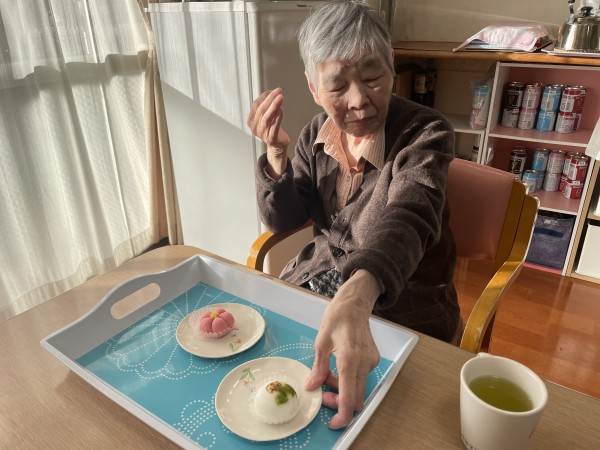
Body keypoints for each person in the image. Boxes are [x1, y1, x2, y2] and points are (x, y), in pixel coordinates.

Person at [247, 0, 460, 430]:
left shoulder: (426, 132)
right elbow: (283, 221)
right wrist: (276, 155)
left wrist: (359, 293)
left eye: (372, 77)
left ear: (392, 66)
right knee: (269, 380)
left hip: (403, 301)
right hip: (319, 283)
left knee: (386, 421)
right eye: (338, 86)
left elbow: (410, 214)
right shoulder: (315, 135)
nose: (360, 100)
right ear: (313, 88)